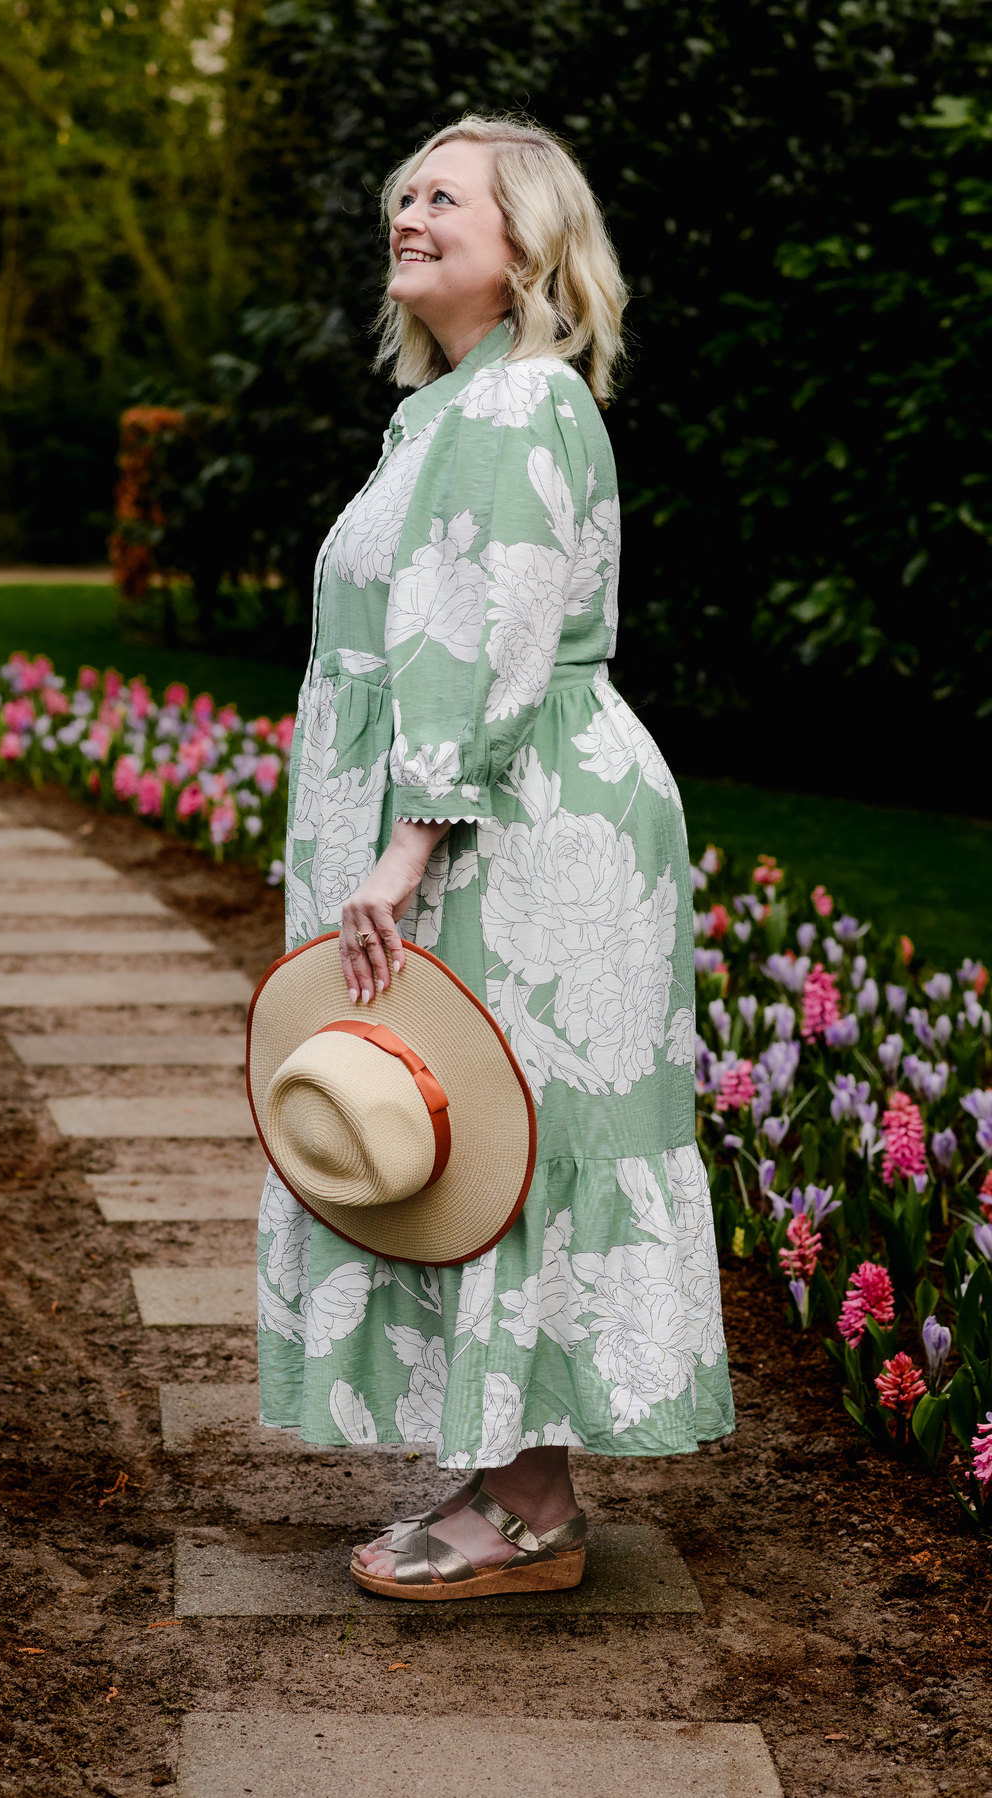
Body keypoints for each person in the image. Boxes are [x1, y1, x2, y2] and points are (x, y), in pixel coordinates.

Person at [257, 113, 734, 1597]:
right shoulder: (454, 406)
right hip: (463, 813)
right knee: (467, 1129)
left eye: (443, 194)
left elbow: (489, 638)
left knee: (504, 1133)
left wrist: (405, 849)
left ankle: (529, 1509)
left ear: (526, 241)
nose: (407, 208)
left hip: (508, 830)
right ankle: (502, 1468)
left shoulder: (523, 404)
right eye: (401, 188)